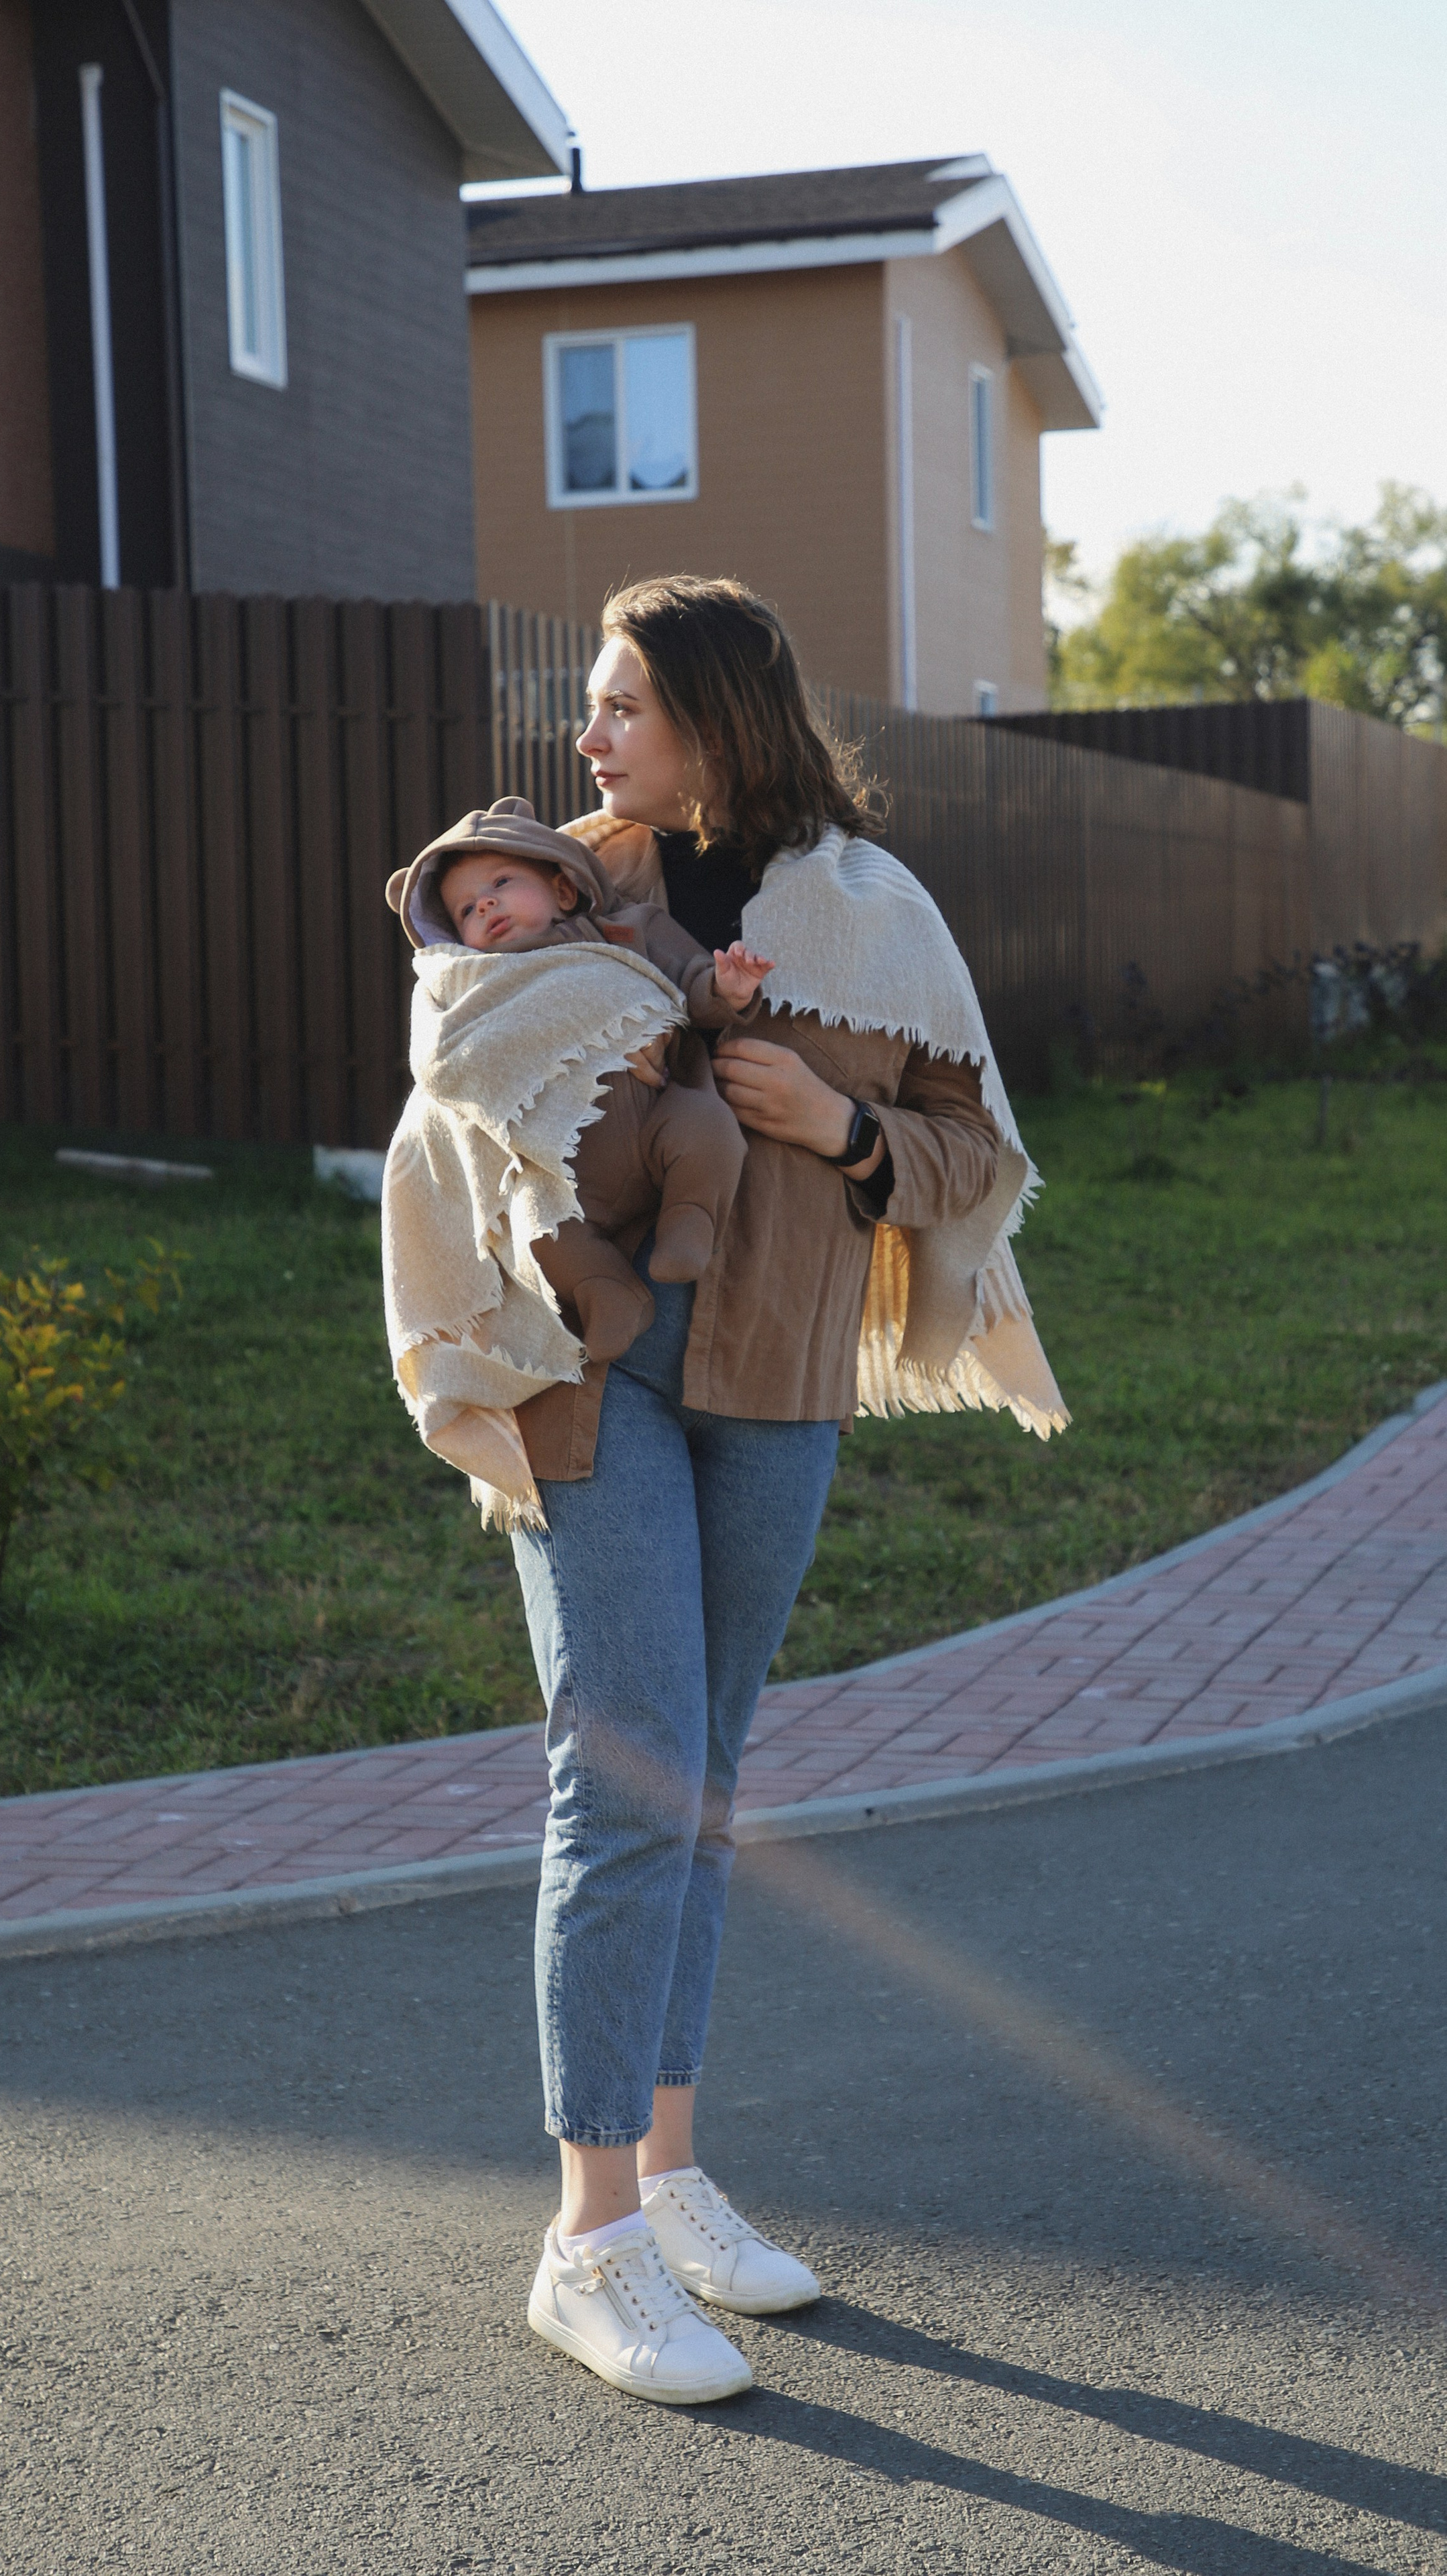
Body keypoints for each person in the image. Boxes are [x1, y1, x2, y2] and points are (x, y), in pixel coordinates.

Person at [502, 575, 1068, 2406]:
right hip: (588, 1378)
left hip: (778, 1388)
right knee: (629, 1769)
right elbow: (461, 1087)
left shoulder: (873, 914)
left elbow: (976, 1155)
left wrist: (838, 1129)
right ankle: (584, 2241)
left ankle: (670, 2183)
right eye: (590, 710)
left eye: (618, 710)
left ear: (718, 719)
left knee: (709, 1779)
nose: (588, 740)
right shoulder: (569, 888)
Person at [384, 799, 768, 1361]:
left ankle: (692, 1219)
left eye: (502, 881)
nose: (486, 902)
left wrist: (727, 989)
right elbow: (458, 1059)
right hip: (562, 1163)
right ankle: (608, 1291)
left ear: (563, 891)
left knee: (709, 1131)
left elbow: (687, 980)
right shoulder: (481, 987)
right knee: (538, 1231)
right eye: (467, 909)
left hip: (662, 1107)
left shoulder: (623, 928)